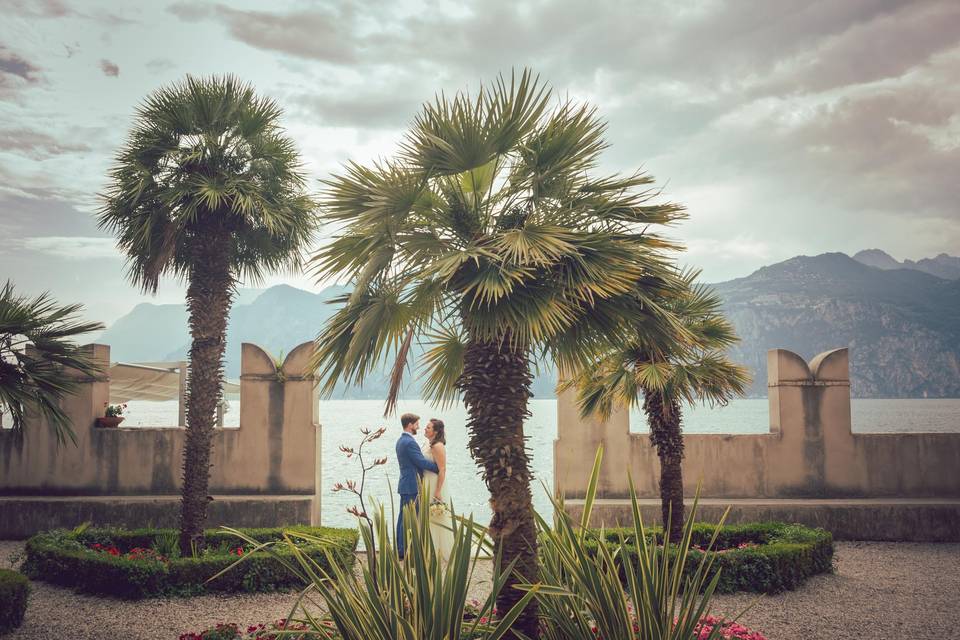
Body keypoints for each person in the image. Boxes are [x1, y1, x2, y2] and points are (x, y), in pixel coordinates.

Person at [395, 412, 439, 560]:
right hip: (412, 486)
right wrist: (438, 468)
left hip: (405, 484)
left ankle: (401, 549)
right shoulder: (409, 442)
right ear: (410, 425)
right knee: (409, 519)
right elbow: (420, 462)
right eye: (416, 424)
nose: (418, 427)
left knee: (403, 519)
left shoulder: (401, 441)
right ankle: (404, 551)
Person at [421, 418, 454, 560]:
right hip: (427, 482)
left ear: (435, 431)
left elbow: (442, 469)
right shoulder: (428, 444)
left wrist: (438, 491)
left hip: (434, 483)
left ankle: (438, 548)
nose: (425, 429)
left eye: (428, 427)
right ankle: (428, 547)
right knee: (427, 515)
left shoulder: (438, 446)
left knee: (436, 515)